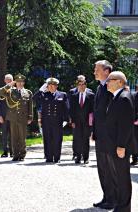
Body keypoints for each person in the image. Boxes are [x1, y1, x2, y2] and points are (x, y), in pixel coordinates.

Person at [105, 71, 136, 212]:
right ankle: (120, 205)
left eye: (110, 79)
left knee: (122, 178)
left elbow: (126, 125)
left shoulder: (123, 97)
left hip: (120, 146)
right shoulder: (115, 97)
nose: (107, 82)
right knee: (117, 176)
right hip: (114, 145)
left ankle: (124, 208)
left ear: (120, 82)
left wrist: (121, 145)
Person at [92, 60, 116, 210]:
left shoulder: (111, 87)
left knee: (111, 169)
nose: (94, 71)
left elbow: (112, 113)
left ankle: (114, 199)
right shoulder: (100, 87)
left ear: (106, 71)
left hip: (109, 136)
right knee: (102, 168)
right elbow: (97, 113)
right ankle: (106, 197)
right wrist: (94, 131)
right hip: (100, 135)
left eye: (97, 69)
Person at [33, 77, 69, 163]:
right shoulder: (44, 95)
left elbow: (66, 108)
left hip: (58, 121)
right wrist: (41, 89)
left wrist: (66, 120)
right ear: (47, 86)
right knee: (47, 139)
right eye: (49, 85)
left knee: (57, 140)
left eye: (53, 85)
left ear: (57, 86)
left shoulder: (62, 95)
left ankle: (57, 157)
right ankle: (49, 157)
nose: (51, 87)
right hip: (46, 122)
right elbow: (34, 99)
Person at [0, 73, 33, 161]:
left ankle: (22, 154)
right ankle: (15, 155)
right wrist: (9, 84)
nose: (20, 83)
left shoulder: (28, 92)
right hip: (13, 117)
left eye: (21, 82)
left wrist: (30, 117)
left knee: (22, 137)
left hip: (23, 118)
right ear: (15, 82)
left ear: (24, 83)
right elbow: (1, 92)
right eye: (18, 82)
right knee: (14, 137)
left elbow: (30, 106)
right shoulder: (10, 91)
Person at [69, 76, 94, 164]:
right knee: (78, 139)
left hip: (87, 121)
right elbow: (71, 110)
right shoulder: (74, 96)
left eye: (83, 84)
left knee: (85, 140)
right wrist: (72, 121)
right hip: (77, 122)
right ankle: (78, 157)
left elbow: (92, 110)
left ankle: (86, 158)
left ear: (85, 85)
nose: (81, 86)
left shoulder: (91, 95)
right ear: (77, 86)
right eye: (79, 84)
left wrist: (92, 122)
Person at [0, 74, 13, 157]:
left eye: (10, 79)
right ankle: (5, 151)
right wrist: (0, 116)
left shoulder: (15, 90)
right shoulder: (1, 90)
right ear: (4, 81)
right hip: (4, 116)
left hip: (13, 117)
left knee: (13, 135)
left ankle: (12, 151)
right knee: (4, 135)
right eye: (7, 79)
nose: (8, 81)